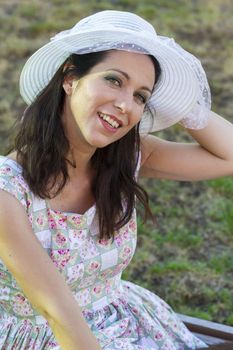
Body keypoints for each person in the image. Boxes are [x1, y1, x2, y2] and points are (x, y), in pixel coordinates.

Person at [0, 9, 232, 350]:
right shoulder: (8, 192)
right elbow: (57, 314)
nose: (125, 104)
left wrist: (183, 105)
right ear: (70, 78)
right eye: (113, 80)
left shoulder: (124, 157)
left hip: (123, 319)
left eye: (141, 96)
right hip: (50, 337)